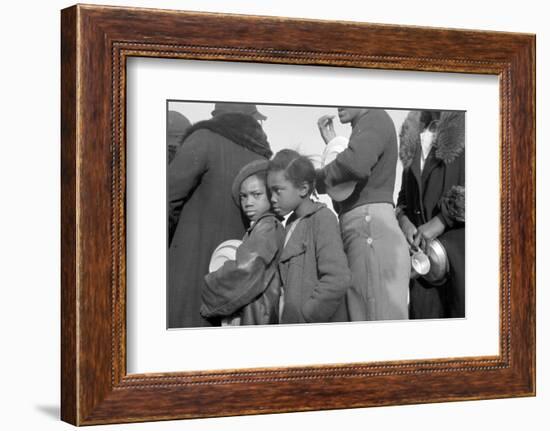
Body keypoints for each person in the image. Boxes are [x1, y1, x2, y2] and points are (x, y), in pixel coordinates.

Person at [168, 102, 271, 328]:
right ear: (248, 118)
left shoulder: (203, 139)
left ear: (218, 114)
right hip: (236, 292)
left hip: (187, 282)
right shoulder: (263, 160)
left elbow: (165, 199)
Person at [316, 108, 410, 321]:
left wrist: (312, 180)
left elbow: (355, 165)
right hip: (366, 231)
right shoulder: (364, 125)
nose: (339, 104)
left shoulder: (374, 117)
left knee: (374, 331)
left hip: (370, 230)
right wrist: (332, 143)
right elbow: (346, 190)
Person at [267, 149, 351, 324]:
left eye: (278, 191)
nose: (273, 199)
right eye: (270, 192)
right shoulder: (291, 223)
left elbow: (337, 278)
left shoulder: (322, 219)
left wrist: (307, 316)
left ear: (303, 189)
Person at [397, 110, 465, 318]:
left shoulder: (470, 127)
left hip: (459, 256)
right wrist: (403, 220)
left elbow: (492, 186)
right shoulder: (412, 134)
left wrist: (442, 220)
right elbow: (403, 197)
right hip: (422, 264)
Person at [200, 159, 285, 325]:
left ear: (271, 195)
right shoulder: (263, 226)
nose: (248, 202)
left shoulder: (267, 226)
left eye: (256, 194)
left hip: (258, 314)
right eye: (243, 196)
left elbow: (247, 268)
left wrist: (210, 284)